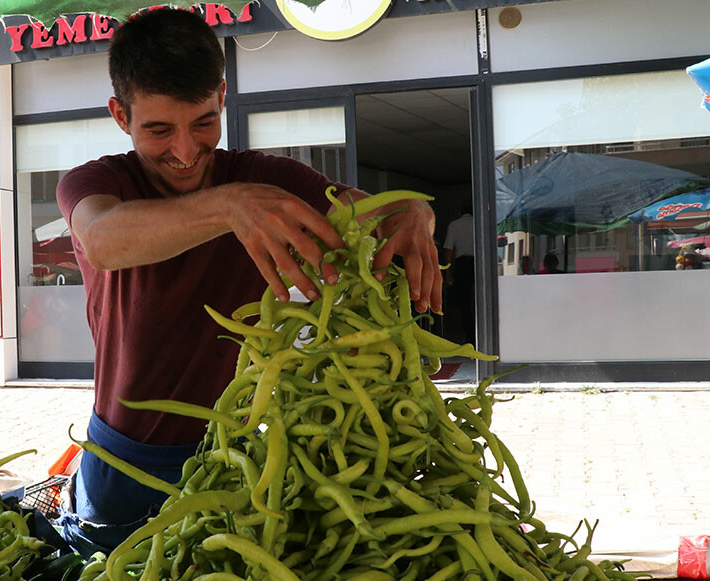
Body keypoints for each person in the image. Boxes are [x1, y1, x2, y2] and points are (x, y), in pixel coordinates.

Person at [53, 8, 442, 556]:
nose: (185, 151)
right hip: (125, 458)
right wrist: (226, 208)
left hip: (240, 455)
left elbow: (376, 214)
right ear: (121, 114)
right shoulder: (99, 182)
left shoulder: (269, 182)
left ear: (222, 96)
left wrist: (416, 212)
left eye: (204, 122)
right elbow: (101, 239)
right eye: (159, 129)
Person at [442, 202, 474, 344]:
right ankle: (484, 331)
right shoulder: (480, 223)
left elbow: (449, 250)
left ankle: (470, 336)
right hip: (481, 264)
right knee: (481, 300)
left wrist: (448, 273)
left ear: (460, 212)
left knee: (465, 302)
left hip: (463, 265)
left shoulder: (454, 225)